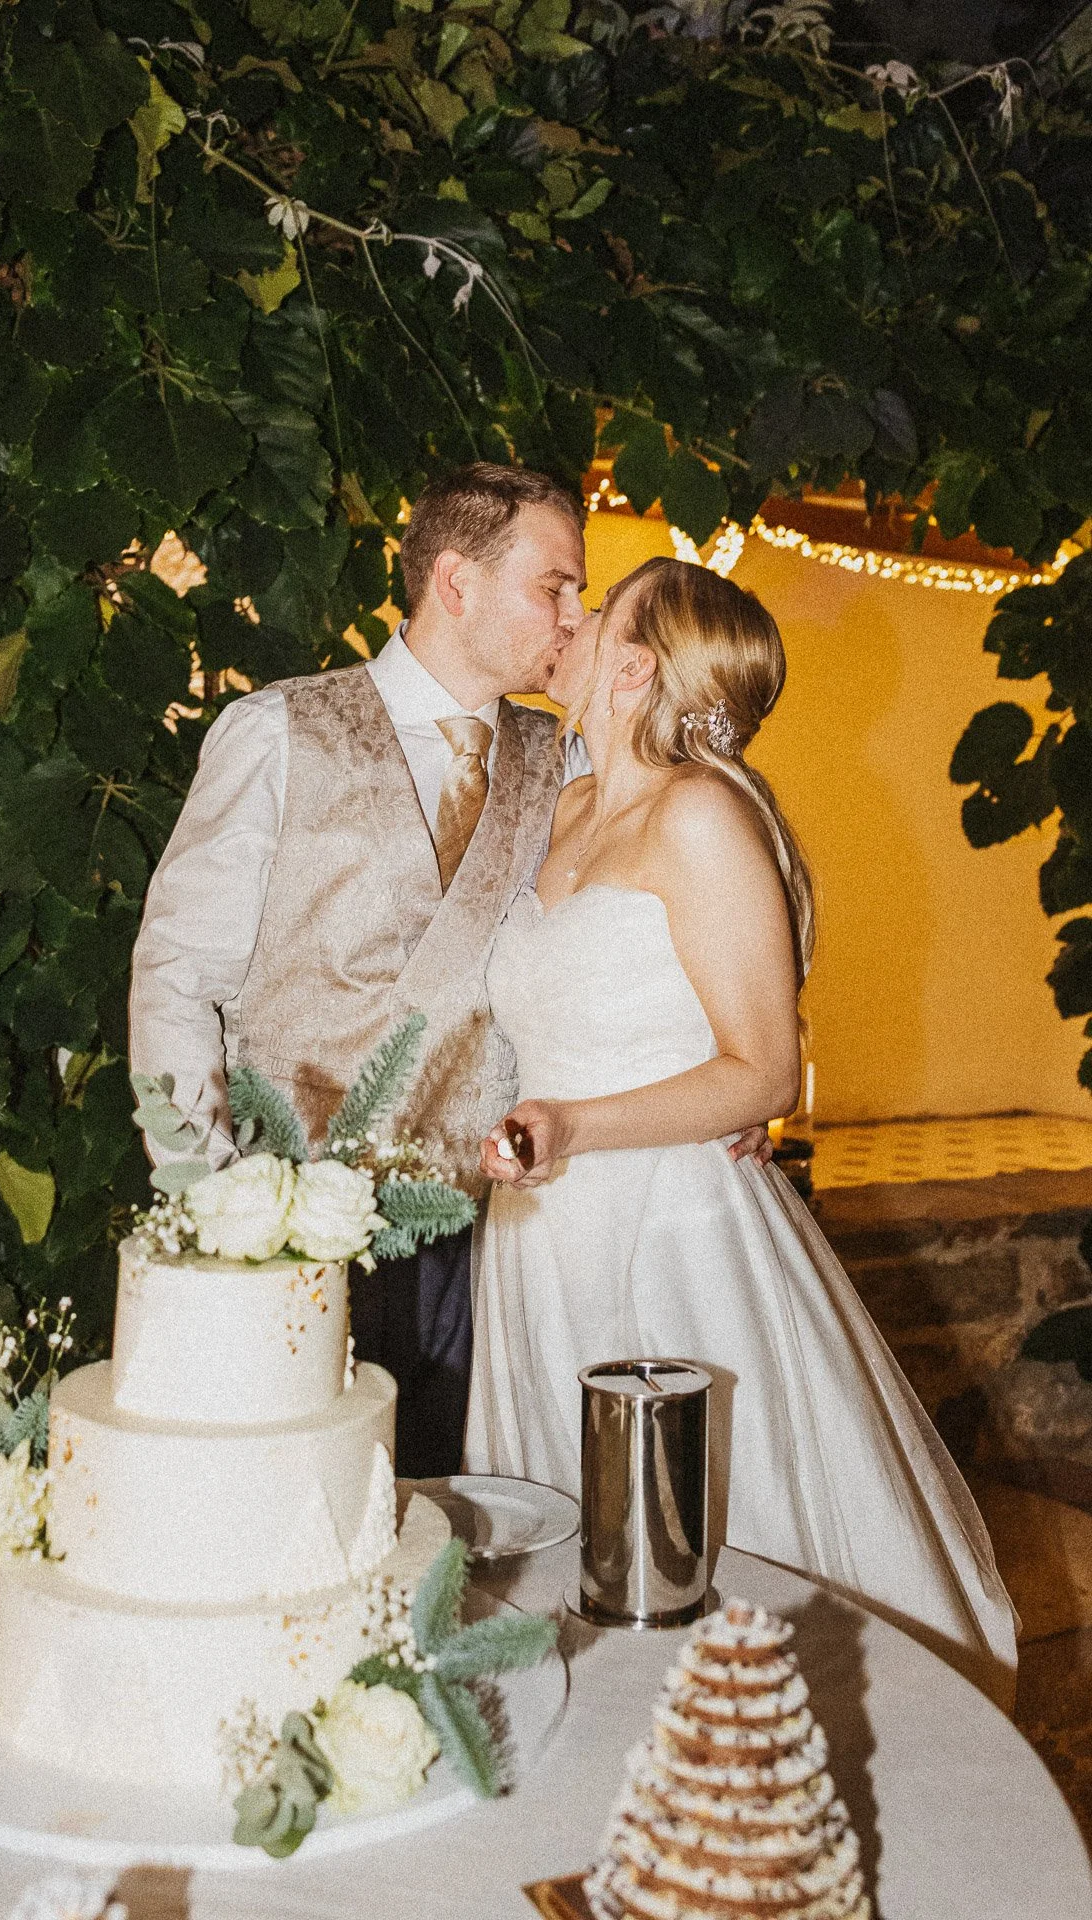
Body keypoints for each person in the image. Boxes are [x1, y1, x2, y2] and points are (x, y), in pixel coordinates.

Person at [131, 461, 768, 1477]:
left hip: (502, 1238)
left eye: (578, 595)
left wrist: (725, 1079)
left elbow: (690, 907)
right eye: (552, 586)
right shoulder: (277, 733)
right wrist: (210, 1201)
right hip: (294, 1223)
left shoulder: (573, 769)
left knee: (482, 1528)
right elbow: (174, 976)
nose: (572, 617)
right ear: (455, 579)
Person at [465, 555, 1019, 1708]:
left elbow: (760, 1068)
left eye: (595, 607)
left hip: (664, 1229)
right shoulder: (559, 801)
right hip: (536, 1227)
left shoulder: (702, 816)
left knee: (704, 1540)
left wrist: (573, 1121)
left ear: (632, 664)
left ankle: (742, 1756)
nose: (568, 624)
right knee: (566, 1538)